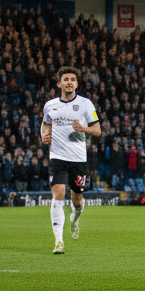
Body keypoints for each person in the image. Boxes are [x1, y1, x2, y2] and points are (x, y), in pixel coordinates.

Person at [41, 66, 102, 254]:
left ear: (76, 83)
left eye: (72, 79)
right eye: (65, 79)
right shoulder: (50, 105)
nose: (69, 82)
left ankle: (74, 220)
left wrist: (83, 129)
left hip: (78, 160)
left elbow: (97, 130)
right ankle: (58, 241)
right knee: (58, 195)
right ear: (59, 83)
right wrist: (43, 135)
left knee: (77, 200)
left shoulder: (86, 104)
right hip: (57, 158)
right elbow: (45, 124)